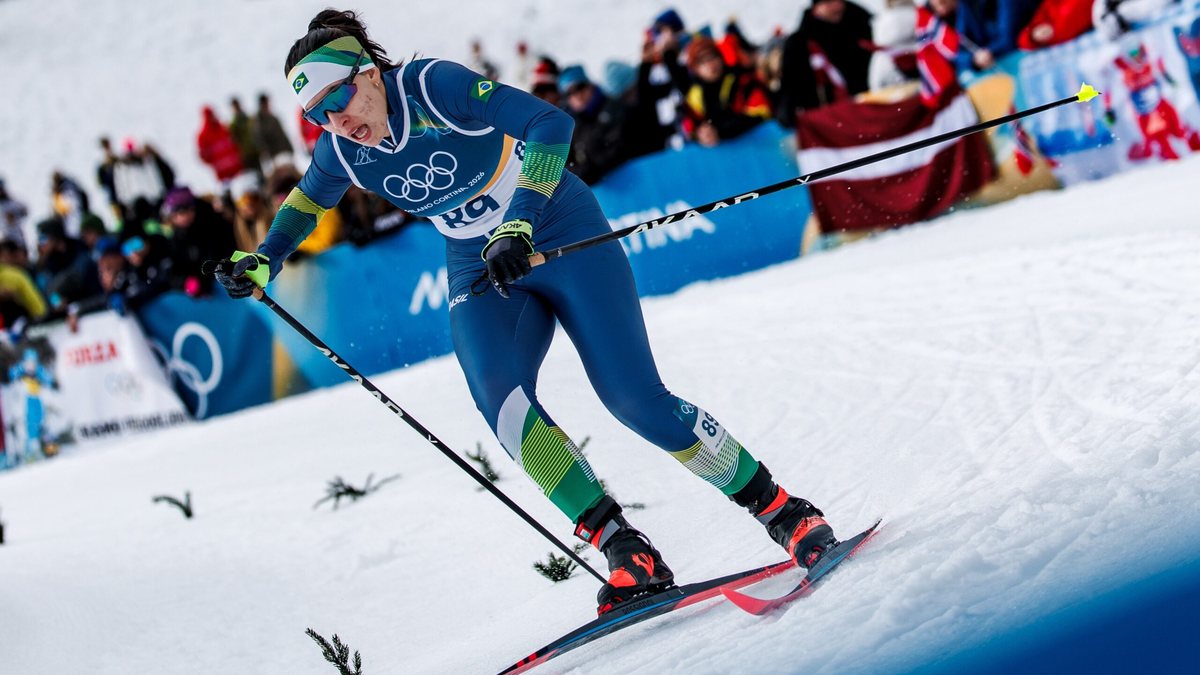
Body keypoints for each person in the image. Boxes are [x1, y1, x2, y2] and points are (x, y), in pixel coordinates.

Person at [214, 9, 841, 616]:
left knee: (634, 399)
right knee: (503, 404)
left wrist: (519, 220)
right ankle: (625, 549)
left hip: (557, 222)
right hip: (477, 263)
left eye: (338, 99)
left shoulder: (433, 86)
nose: (334, 120)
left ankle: (783, 511)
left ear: (368, 73)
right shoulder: (341, 150)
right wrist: (264, 258)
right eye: (316, 113)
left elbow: (550, 124)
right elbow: (304, 204)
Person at [776, 0, 875, 126]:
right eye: (829, 2)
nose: (837, 6)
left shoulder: (860, 21)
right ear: (816, 7)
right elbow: (790, 84)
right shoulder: (799, 43)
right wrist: (786, 110)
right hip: (832, 121)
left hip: (870, 108)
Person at [680, 35, 773, 147]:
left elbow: (762, 112)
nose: (710, 65)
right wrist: (699, 134)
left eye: (712, 57)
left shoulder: (742, 80)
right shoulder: (694, 95)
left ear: (721, 58)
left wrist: (720, 132)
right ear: (695, 69)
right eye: (702, 62)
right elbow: (688, 126)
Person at [558, 65, 631, 184]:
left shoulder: (613, 109)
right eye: (570, 93)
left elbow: (622, 146)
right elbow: (565, 163)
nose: (577, 95)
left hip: (632, 182)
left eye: (580, 87)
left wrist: (595, 169)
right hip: (605, 195)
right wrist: (579, 173)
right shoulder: (573, 126)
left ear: (590, 85)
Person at [196, 105, 245, 184]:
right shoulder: (203, 135)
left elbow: (235, 144)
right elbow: (203, 156)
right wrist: (216, 163)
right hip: (223, 174)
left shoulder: (223, 128)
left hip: (237, 169)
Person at [254, 93, 295, 173]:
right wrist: (269, 157)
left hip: (284, 154)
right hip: (273, 158)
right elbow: (260, 141)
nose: (268, 105)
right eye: (265, 103)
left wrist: (290, 148)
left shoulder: (274, 118)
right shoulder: (258, 122)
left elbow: (282, 135)